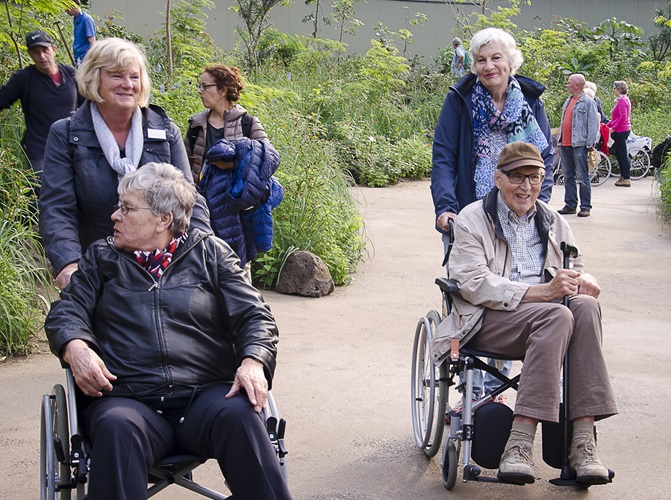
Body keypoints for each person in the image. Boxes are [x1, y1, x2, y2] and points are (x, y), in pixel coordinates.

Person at [44, 163, 292, 500]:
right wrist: (75, 346)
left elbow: (255, 315)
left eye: (127, 208)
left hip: (204, 397)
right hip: (128, 399)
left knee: (242, 416)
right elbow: (66, 310)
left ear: (163, 219)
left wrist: (253, 362)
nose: (115, 216)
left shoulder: (210, 253)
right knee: (116, 427)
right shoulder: (101, 258)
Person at [433, 142, 617, 485]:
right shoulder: (473, 219)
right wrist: (543, 293)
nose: (526, 187)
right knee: (557, 315)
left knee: (586, 307)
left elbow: (575, 265)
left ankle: (582, 443)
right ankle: (518, 445)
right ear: (497, 178)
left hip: (546, 320)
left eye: (534, 177)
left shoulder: (552, 220)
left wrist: (585, 278)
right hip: (488, 320)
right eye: (517, 177)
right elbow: (472, 282)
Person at [432, 27, 554, 399]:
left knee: (518, 284)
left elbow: (545, 157)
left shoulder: (530, 101)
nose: (488, 66)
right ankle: (478, 390)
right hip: (474, 214)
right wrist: (446, 208)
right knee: (478, 293)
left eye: (496, 58)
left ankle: (495, 387)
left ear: (510, 61)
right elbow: (443, 156)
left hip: (521, 209)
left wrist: (539, 202)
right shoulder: (461, 99)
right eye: (481, 60)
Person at [39, 37, 210, 291]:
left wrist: (205, 255)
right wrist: (69, 264)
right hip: (95, 266)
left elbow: (189, 202)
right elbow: (57, 207)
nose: (128, 85)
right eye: (117, 76)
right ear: (95, 79)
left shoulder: (165, 131)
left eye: (134, 77)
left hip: (162, 271)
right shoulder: (66, 134)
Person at [0, 30, 80, 193]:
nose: (42, 56)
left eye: (45, 50)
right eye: (36, 52)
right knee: (42, 191)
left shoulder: (71, 74)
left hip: (73, 146)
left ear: (54, 49)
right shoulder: (24, 78)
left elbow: (90, 107)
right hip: (40, 150)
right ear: (30, 54)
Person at [184, 64, 268, 185]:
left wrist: (234, 164)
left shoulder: (248, 123)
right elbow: (183, 166)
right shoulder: (196, 125)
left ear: (222, 90)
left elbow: (268, 160)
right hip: (201, 201)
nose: (199, 91)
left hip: (238, 200)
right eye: (199, 86)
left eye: (205, 86)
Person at [557, 74, 600, 218]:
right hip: (565, 144)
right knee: (568, 176)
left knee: (582, 177)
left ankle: (585, 206)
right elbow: (563, 122)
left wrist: (589, 143)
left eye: (569, 83)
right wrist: (560, 142)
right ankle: (570, 204)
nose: (566, 85)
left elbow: (593, 124)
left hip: (579, 144)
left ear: (576, 85)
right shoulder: (568, 101)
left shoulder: (588, 102)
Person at [607, 81, 632, 187]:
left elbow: (623, 117)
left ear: (619, 89)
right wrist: (606, 125)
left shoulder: (622, 101)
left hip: (621, 130)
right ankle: (623, 175)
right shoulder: (622, 100)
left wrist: (613, 128)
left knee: (622, 154)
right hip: (620, 129)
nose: (614, 90)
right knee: (618, 153)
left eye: (614, 88)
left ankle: (626, 177)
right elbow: (616, 118)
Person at [66, 0, 96, 66]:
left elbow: (92, 42)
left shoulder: (86, 19)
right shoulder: (76, 18)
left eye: (67, 8)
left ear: (74, 5)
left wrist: (91, 60)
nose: (66, 11)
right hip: (78, 57)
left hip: (85, 57)